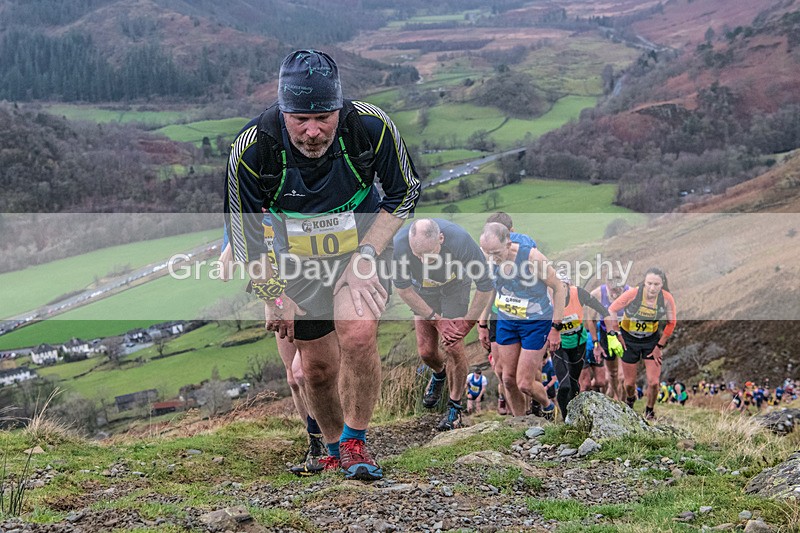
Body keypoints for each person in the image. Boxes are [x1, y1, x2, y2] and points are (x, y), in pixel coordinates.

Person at [224, 50, 421, 481]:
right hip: (296, 260)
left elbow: (404, 193)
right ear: (282, 110)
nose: (313, 131)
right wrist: (272, 295)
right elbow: (246, 238)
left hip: (361, 246)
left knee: (359, 331)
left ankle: (355, 441)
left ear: (339, 107)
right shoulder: (252, 148)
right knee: (315, 368)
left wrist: (366, 256)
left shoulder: (370, 126)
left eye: (324, 117)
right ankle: (332, 447)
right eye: (299, 119)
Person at [220, 216, 328, 476]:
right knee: (293, 378)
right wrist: (237, 242)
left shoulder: (288, 203)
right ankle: (317, 444)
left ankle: (336, 439)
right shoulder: (244, 218)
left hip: (312, 288)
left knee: (308, 372)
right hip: (277, 297)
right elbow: (224, 273)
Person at [392, 218, 494, 430]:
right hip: (422, 291)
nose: (422, 261)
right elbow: (403, 289)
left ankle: (455, 408)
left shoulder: (461, 242)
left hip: (454, 288)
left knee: (453, 346)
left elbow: (485, 286)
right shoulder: (400, 244)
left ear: (441, 238)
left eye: (429, 254)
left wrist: (467, 325)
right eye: (417, 255)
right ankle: (439, 374)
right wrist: (436, 320)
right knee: (426, 352)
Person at [479, 222, 566, 419]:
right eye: (486, 253)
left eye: (496, 253)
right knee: (507, 379)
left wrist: (556, 327)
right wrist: (482, 323)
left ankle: (548, 406)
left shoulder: (531, 258)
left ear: (508, 244)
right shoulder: (487, 259)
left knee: (525, 383)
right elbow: (488, 291)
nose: (492, 258)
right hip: (507, 321)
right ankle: (520, 422)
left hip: (535, 323)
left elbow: (559, 288)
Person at [477, 213, 536, 419]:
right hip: (497, 314)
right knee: (502, 370)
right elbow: (489, 289)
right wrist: (482, 322)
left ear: (510, 233)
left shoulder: (525, 245)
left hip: (524, 315)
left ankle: (529, 408)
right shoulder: (489, 252)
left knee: (522, 371)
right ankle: (515, 413)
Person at [605, 268, 677, 420]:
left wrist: (659, 346)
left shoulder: (666, 298)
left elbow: (672, 323)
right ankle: (631, 400)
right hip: (629, 339)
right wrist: (617, 333)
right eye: (649, 283)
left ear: (662, 284)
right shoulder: (634, 294)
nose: (652, 288)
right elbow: (611, 309)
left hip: (651, 340)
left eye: (656, 284)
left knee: (654, 382)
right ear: (644, 283)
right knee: (629, 383)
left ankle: (649, 411)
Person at [552, 276, 609, 420]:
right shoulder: (549, 298)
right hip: (558, 345)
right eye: (557, 286)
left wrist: (608, 316)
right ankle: (565, 420)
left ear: (568, 285)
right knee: (564, 386)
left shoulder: (578, 293)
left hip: (578, 343)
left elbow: (597, 305)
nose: (560, 289)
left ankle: (574, 416)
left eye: (563, 286)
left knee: (574, 384)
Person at [585, 275, 629, 400]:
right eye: (613, 290)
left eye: (618, 290)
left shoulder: (629, 293)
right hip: (607, 335)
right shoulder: (597, 294)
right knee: (613, 374)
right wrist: (595, 343)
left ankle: (625, 401)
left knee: (622, 376)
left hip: (624, 333)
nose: (616, 294)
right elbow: (591, 320)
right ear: (607, 285)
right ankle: (616, 397)